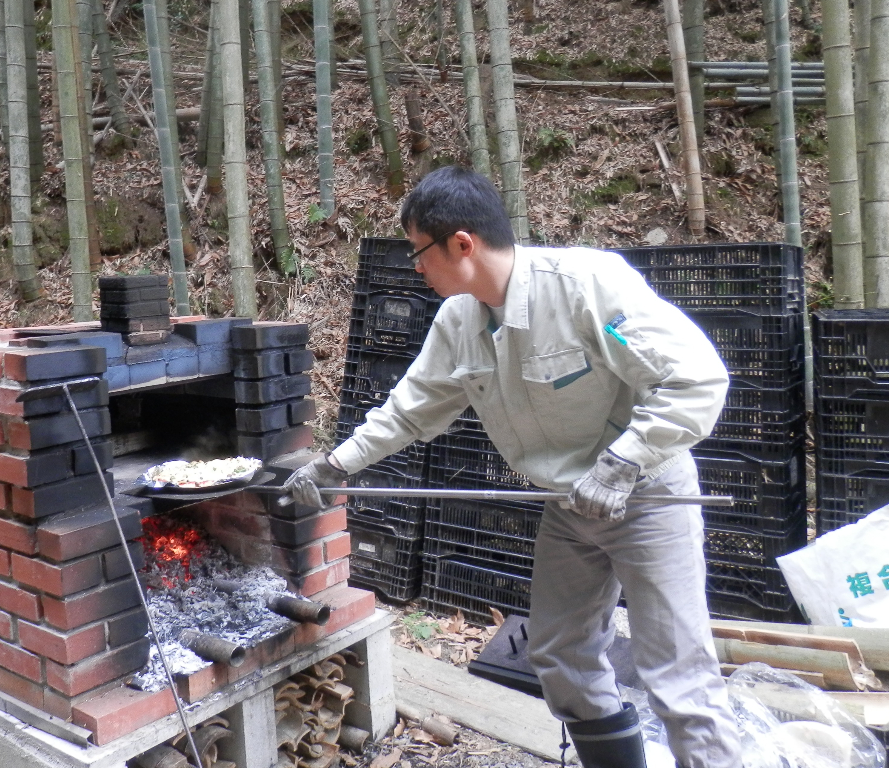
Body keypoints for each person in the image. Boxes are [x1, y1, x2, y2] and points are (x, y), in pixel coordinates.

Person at [286, 166, 742, 768]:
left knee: (677, 673)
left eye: (418, 251)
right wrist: (334, 465)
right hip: (567, 506)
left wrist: (621, 464)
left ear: (462, 243)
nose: (415, 267)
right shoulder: (460, 322)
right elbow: (410, 410)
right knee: (559, 653)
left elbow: (696, 380)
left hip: (646, 495)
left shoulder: (585, 286)